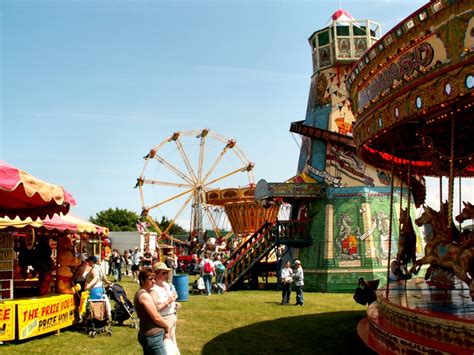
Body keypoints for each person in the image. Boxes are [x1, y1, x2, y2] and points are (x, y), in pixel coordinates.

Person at [134, 268, 170, 355]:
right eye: (150, 279)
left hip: (148, 334)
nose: (153, 281)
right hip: (153, 335)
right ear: (142, 280)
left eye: (154, 278)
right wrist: (167, 327)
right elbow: (156, 317)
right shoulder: (144, 295)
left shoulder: (142, 293)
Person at [151, 262, 181, 347]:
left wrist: (174, 303)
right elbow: (155, 309)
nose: (166, 275)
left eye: (166, 273)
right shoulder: (153, 289)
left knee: (172, 343)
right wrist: (168, 301)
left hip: (172, 317)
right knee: (165, 345)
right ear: (155, 274)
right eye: (163, 273)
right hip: (163, 319)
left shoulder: (166, 285)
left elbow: (170, 299)